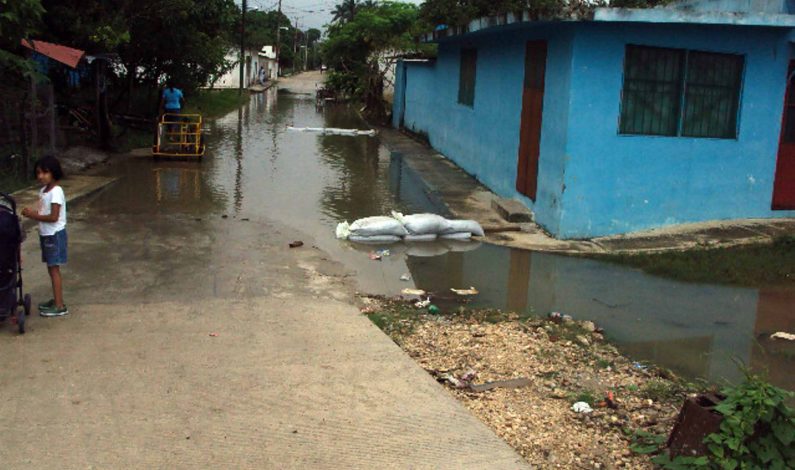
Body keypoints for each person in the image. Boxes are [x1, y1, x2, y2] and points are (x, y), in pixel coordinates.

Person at [21, 155, 69, 317]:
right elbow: (41, 208)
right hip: (46, 234)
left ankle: (59, 305)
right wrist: (30, 211)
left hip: (54, 234)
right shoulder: (44, 191)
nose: (41, 176)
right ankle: (56, 299)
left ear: (53, 172)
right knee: (50, 267)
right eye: (38, 173)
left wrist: (32, 216)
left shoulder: (56, 192)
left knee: (54, 269)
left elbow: (53, 217)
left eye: (45, 173)